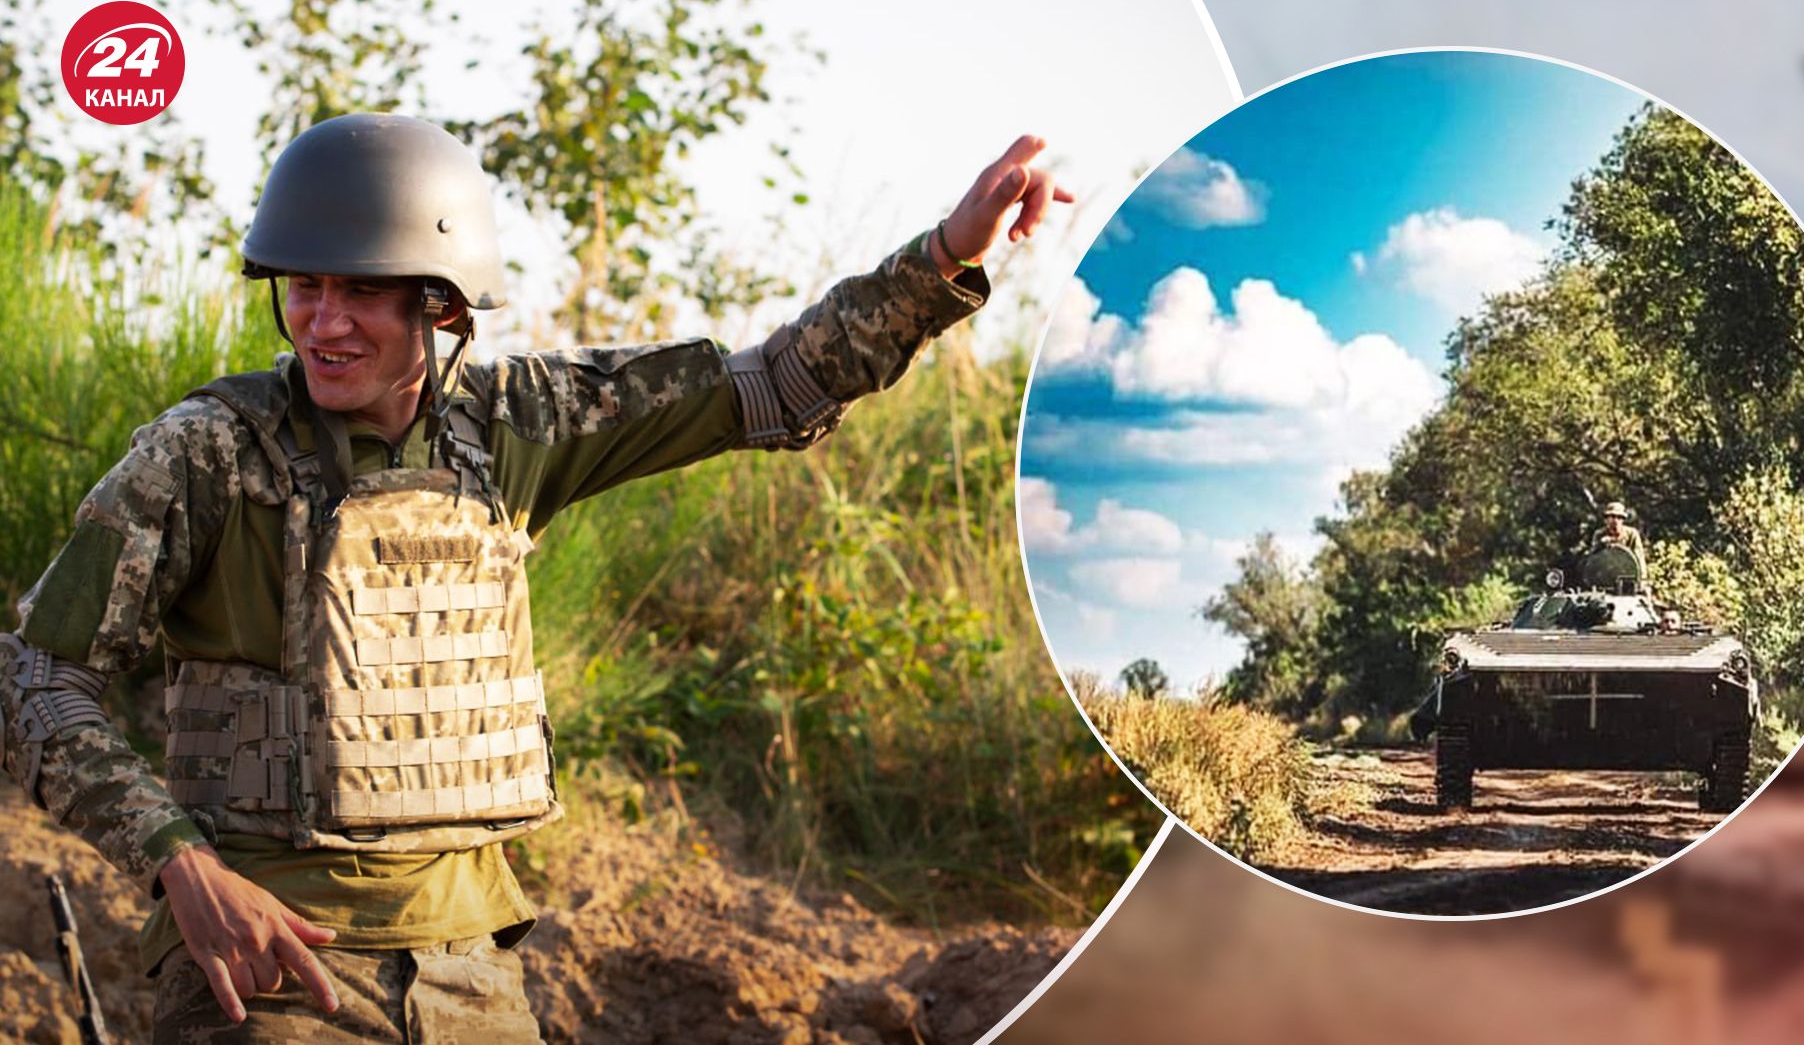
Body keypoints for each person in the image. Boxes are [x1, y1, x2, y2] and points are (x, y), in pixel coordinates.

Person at [0, 113, 1071, 1041]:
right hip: (267, 969)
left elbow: (777, 387)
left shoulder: (519, 422)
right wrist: (180, 869)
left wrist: (939, 258)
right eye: (304, 288)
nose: (323, 322)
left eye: (363, 292)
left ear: (443, 304)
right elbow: (39, 678)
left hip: (473, 969)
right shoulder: (203, 454)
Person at [1594, 500, 1645, 568]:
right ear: (1606, 520)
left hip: (1627, 572)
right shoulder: (1599, 535)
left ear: (1623, 520)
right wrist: (1601, 545)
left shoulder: (1632, 535)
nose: (1615, 521)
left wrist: (1642, 577)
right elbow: (1593, 560)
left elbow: (1639, 558)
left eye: (1619, 517)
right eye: (1612, 517)